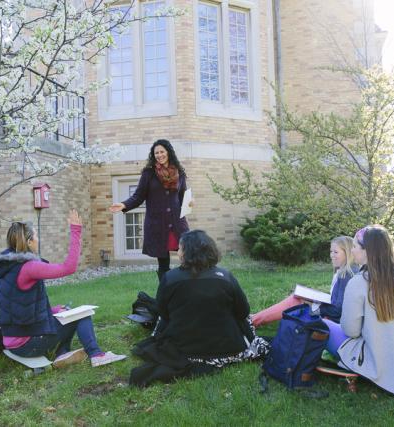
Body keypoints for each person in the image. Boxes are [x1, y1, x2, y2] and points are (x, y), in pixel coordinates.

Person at [0, 210, 126, 368]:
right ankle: (96, 355)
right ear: (30, 242)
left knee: (63, 313)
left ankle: (62, 353)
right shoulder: (29, 267)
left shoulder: (7, 266)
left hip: (13, 341)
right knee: (82, 314)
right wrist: (76, 230)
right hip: (28, 344)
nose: (39, 240)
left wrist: (53, 310)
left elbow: (20, 305)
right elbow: (69, 267)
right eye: (37, 236)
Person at [129, 230, 269, 387]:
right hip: (228, 348)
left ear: (187, 252)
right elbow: (243, 312)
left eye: (180, 248)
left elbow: (163, 313)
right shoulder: (226, 277)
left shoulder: (170, 278)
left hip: (182, 349)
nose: (178, 252)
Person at [324, 225, 394, 396]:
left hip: (383, 369)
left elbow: (350, 331)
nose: (352, 251)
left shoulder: (358, 283)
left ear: (367, 251)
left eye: (355, 247)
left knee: (322, 325)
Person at [109, 139, 190, 282]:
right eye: (156, 153)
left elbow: (183, 196)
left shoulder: (180, 172)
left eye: (162, 151)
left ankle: (185, 288)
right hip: (158, 224)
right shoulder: (149, 174)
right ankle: (165, 292)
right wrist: (124, 205)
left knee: (188, 255)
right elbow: (138, 196)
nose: (159, 155)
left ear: (168, 152)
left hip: (177, 222)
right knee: (163, 263)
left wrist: (190, 202)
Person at [251, 236, 358, 327]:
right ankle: (255, 319)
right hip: (332, 315)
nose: (332, 255)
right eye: (331, 251)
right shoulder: (343, 271)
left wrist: (314, 306)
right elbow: (336, 301)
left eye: (336, 252)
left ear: (347, 252)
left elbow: (338, 310)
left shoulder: (347, 274)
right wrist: (314, 298)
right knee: (297, 298)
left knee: (295, 301)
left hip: (335, 321)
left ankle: (253, 321)